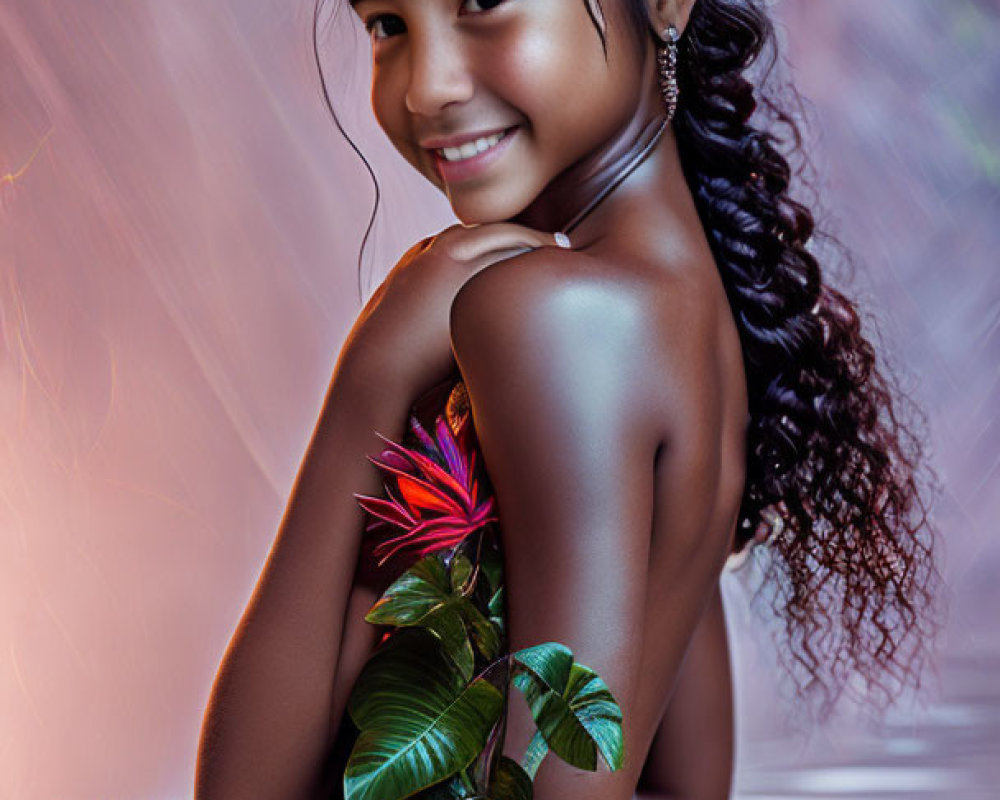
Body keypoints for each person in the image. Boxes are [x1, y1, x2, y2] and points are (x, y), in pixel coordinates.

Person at [195, 0, 944, 798]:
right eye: (387, 25)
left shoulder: (556, 322)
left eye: (481, 3)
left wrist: (369, 379)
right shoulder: (686, 315)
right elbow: (689, 778)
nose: (426, 88)